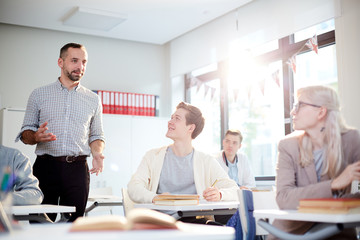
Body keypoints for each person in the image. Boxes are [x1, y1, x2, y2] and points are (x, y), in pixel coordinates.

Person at [16, 43, 105, 222]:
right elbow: (25, 133)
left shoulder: (93, 99)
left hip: (77, 170)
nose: (80, 66)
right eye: (74, 61)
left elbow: (96, 135)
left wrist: (97, 153)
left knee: (74, 225)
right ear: (60, 62)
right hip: (45, 168)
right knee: (39, 223)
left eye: (84, 62)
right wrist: (35, 136)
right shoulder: (39, 94)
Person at [268, 85, 360, 239]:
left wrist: (343, 202)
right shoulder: (287, 145)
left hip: (337, 232)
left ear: (321, 111)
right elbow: (284, 198)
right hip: (291, 233)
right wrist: (333, 185)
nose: (292, 112)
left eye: (300, 105)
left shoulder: (352, 139)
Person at [127, 102, 238, 224]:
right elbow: (133, 187)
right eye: (171, 117)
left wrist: (220, 194)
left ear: (190, 128)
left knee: (231, 225)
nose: (170, 122)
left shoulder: (206, 161)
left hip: (193, 221)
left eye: (177, 118)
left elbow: (235, 190)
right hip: (159, 221)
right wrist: (155, 198)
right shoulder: (152, 156)